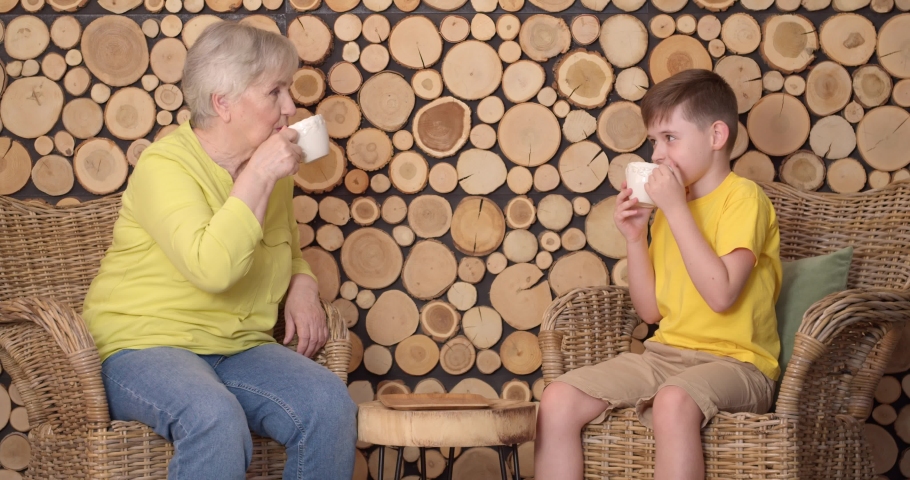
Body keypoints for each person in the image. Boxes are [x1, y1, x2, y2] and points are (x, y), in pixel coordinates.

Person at [82, 21, 356, 480]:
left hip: (237, 346)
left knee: (329, 404)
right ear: (222, 102)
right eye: (275, 92)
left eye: (289, 90)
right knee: (214, 417)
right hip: (144, 345)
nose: (290, 107)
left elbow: (285, 248)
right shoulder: (164, 167)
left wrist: (304, 283)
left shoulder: (273, 169)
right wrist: (258, 176)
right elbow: (213, 270)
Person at [535, 69, 782, 480]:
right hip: (666, 357)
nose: (657, 154)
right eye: (654, 141)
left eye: (670, 138)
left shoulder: (743, 198)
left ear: (716, 136)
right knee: (557, 398)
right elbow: (650, 313)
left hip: (739, 364)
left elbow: (721, 296)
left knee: (672, 401)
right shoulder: (670, 208)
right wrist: (635, 239)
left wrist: (676, 210)